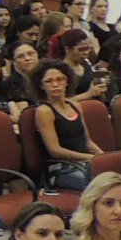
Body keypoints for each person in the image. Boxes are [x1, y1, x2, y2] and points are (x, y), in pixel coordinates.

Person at [30, 61, 103, 191]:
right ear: (41, 85)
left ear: (67, 81)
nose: (55, 84)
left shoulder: (75, 105)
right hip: (62, 169)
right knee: (102, 185)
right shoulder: (44, 111)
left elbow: (87, 142)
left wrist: (104, 157)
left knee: (119, 175)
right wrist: (91, 158)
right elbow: (55, 151)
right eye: (49, 81)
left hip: (86, 163)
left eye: (60, 79)